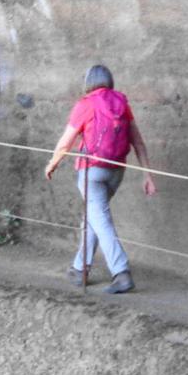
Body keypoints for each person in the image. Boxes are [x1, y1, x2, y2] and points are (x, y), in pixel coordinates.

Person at [44, 64, 158, 294]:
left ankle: (121, 272)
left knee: (101, 220)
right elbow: (138, 142)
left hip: (92, 172)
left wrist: (52, 163)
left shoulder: (85, 104)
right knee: (94, 217)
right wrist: (148, 175)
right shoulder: (122, 104)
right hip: (116, 171)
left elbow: (66, 141)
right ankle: (79, 269)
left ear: (88, 82)